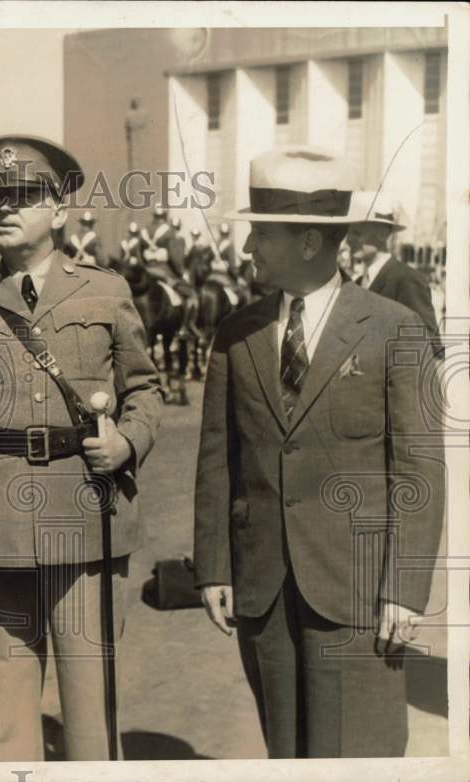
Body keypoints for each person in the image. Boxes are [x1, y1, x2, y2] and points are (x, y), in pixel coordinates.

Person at [194, 145, 445, 758]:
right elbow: (217, 458)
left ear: (309, 242)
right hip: (264, 590)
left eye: (261, 234)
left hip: (358, 592)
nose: (247, 248)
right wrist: (215, 566)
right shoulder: (236, 334)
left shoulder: (393, 328)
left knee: (359, 753)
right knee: (286, 753)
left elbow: (418, 469)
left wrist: (404, 587)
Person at [0, 134, 164, 760]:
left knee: (90, 707)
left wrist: (128, 443)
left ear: (59, 211)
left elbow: (145, 389)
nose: (5, 207)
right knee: (12, 713)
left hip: (85, 514)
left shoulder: (105, 291)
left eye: (24, 196)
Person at [346, 191, 438, 334]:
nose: (348, 240)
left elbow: (428, 341)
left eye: (357, 233)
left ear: (383, 234)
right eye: (348, 233)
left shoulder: (407, 280)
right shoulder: (358, 283)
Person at [142, 205, 197, 335]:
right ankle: (184, 328)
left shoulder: (145, 231)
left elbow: (139, 253)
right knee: (191, 295)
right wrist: (181, 272)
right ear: (165, 216)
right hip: (163, 271)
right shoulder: (169, 232)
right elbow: (175, 258)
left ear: (154, 216)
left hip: (146, 269)